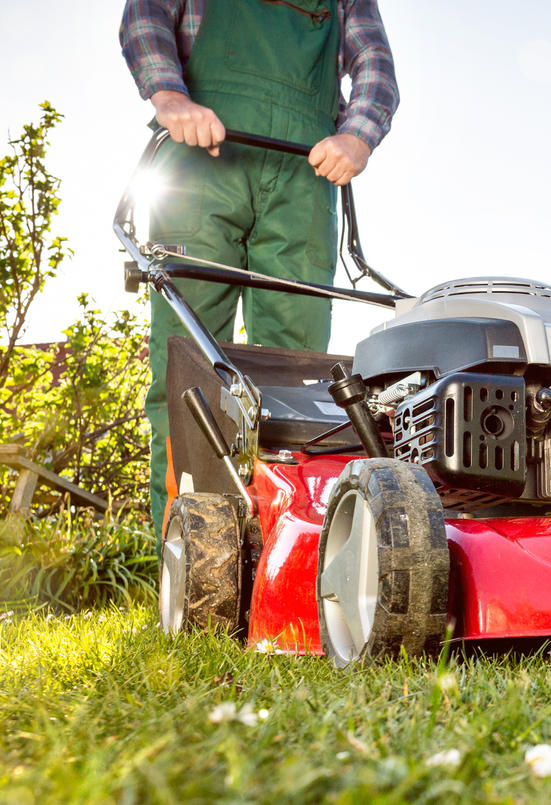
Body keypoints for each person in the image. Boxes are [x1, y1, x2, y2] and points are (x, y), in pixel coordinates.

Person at [119, 0, 399, 536]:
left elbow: (376, 66)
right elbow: (145, 15)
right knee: (189, 374)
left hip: (305, 176)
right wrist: (171, 96)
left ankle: (284, 554)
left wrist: (357, 135)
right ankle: (188, 564)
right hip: (197, 167)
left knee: (303, 381)